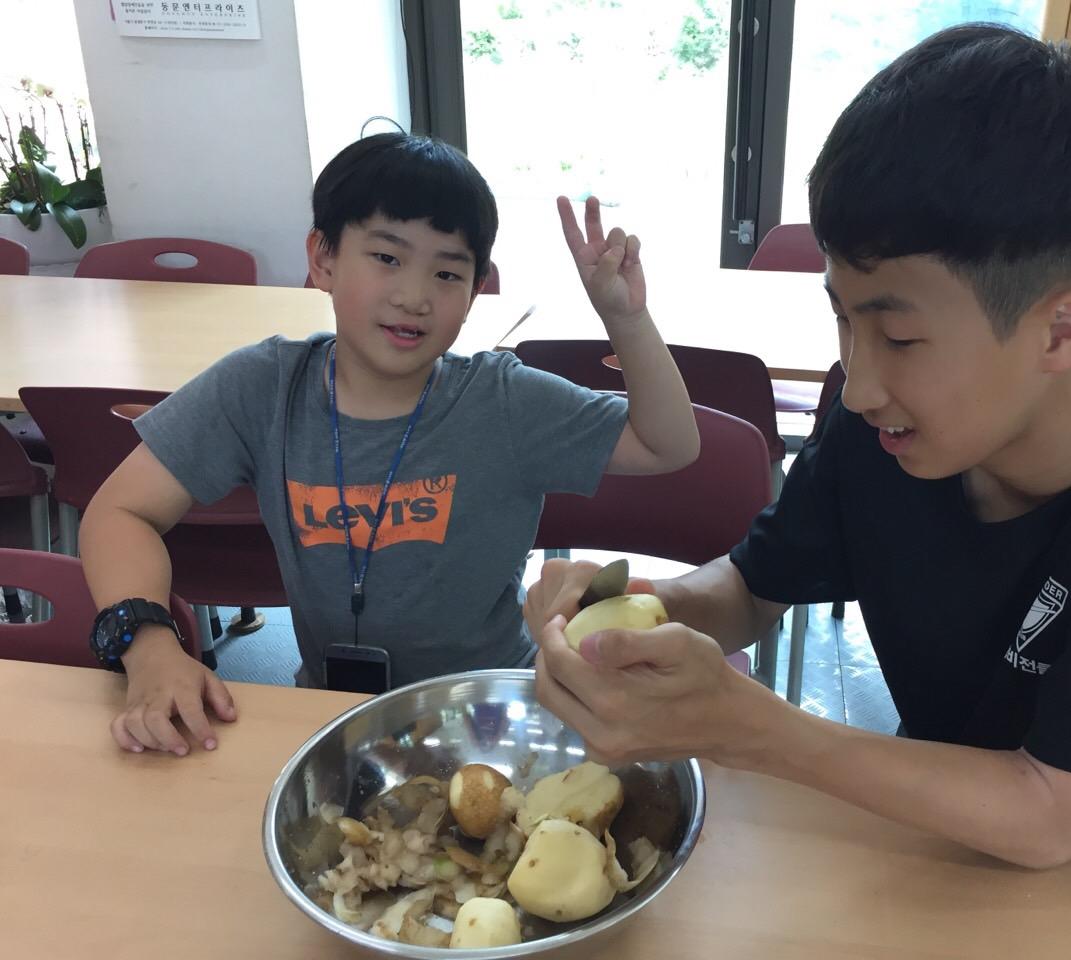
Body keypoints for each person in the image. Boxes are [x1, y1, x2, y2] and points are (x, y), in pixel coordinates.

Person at [525, 25, 1071, 869]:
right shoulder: (881, 426)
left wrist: (753, 728)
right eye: (843, 318)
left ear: (1064, 328)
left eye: (900, 337)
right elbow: (748, 588)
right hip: (950, 858)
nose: (859, 383)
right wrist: (626, 614)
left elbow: (1048, 814)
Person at [79, 132, 699, 758]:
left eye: (448, 273)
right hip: (336, 717)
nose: (414, 296)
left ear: (475, 291)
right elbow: (120, 512)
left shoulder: (503, 401)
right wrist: (149, 646)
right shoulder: (263, 387)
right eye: (387, 257)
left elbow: (666, 445)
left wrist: (625, 319)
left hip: (493, 715)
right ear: (322, 259)